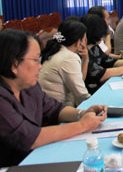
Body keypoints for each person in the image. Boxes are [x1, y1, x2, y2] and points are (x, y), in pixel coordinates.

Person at [0, 29, 106, 167]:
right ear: (14, 64)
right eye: (35, 60)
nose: (40, 66)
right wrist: (82, 125)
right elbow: (30, 138)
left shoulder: (29, 86)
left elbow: (54, 109)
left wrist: (82, 113)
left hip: (37, 157)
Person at [81, 14, 123, 94]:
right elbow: (101, 75)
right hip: (93, 91)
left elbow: (111, 62)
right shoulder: (83, 51)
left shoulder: (94, 47)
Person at [39, 20, 90, 107]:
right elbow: (81, 95)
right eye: (85, 39)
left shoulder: (56, 50)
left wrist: (85, 59)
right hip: (58, 110)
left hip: (47, 106)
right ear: (79, 42)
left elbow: (79, 81)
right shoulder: (69, 58)